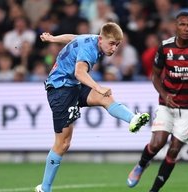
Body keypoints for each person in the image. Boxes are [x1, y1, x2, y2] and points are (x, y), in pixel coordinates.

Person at [35, 22, 150, 192]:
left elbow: (73, 38)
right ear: (101, 39)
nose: (114, 48)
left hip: (72, 86)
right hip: (60, 90)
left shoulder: (92, 38)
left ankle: (133, 119)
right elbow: (79, 73)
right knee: (63, 143)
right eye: (111, 44)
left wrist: (53, 38)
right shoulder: (90, 49)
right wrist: (98, 87)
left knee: (106, 97)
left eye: (117, 45)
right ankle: (45, 188)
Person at [127, 12, 188, 192]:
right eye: (182, 25)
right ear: (175, 27)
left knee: (174, 150)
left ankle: (153, 190)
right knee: (156, 144)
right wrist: (164, 94)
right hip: (167, 103)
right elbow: (154, 75)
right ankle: (141, 165)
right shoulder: (165, 48)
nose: (186, 28)